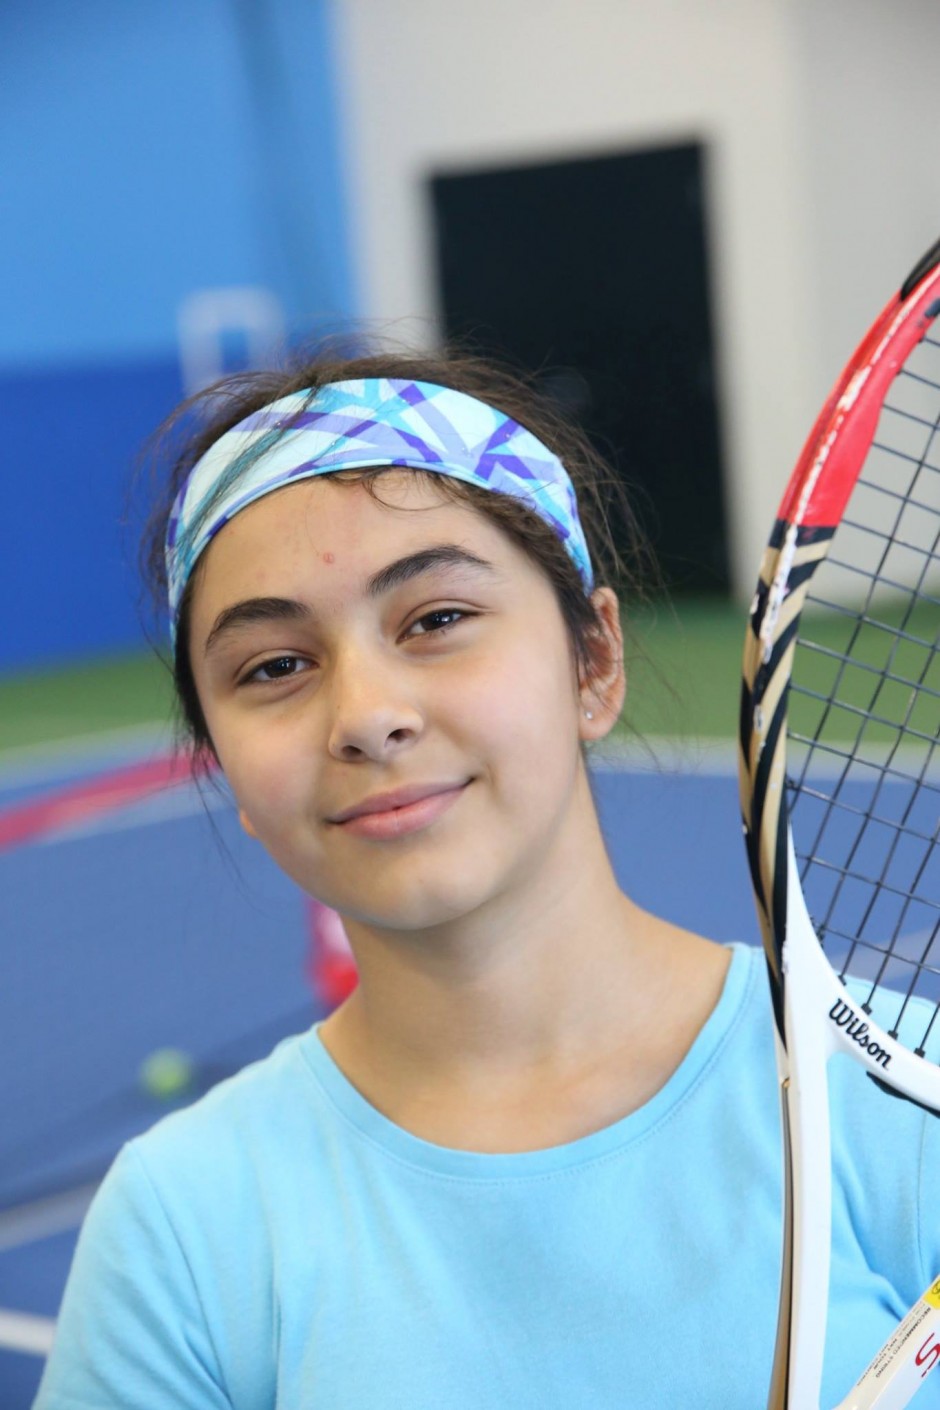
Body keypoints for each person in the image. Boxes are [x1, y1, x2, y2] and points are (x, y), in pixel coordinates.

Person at [35, 353, 940, 1409]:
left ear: (593, 662)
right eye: (274, 666)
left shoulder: (902, 1094)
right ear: (222, 763)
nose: (366, 716)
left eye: (436, 619)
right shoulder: (180, 1231)